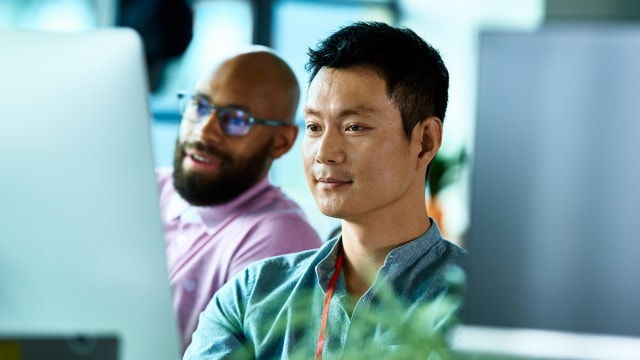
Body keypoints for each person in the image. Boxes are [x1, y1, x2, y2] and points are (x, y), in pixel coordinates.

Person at [183, 21, 467, 359]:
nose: (324, 152)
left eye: (354, 127)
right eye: (315, 127)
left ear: (425, 141)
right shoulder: (251, 296)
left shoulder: (482, 309)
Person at [156, 46, 323, 353]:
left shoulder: (280, 239)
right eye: (199, 106)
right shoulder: (149, 187)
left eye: (236, 119)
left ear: (282, 141)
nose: (204, 131)